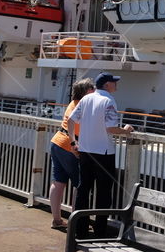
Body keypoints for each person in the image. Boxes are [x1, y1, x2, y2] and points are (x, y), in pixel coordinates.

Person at [66, 71, 135, 238]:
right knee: (104, 194)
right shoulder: (108, 101)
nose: (116, 84)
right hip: (103, 153)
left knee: (84, 190)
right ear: (107, 85)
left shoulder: (86, 98)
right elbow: (110, 128)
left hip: (85, 151)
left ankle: (79, 230)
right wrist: (125, 131)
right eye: (114, 82)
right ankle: (100, 232)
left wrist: (73, 142)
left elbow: (70, 121)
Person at [49, 78, 94, 230]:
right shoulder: (83, 105)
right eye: (91, 89)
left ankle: (56, 220)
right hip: (72, 147)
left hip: (57, 142)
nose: (94, 91)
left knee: (58, 182)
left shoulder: (72, 103)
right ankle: (76, 223)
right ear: (86, 92)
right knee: (79, 185)